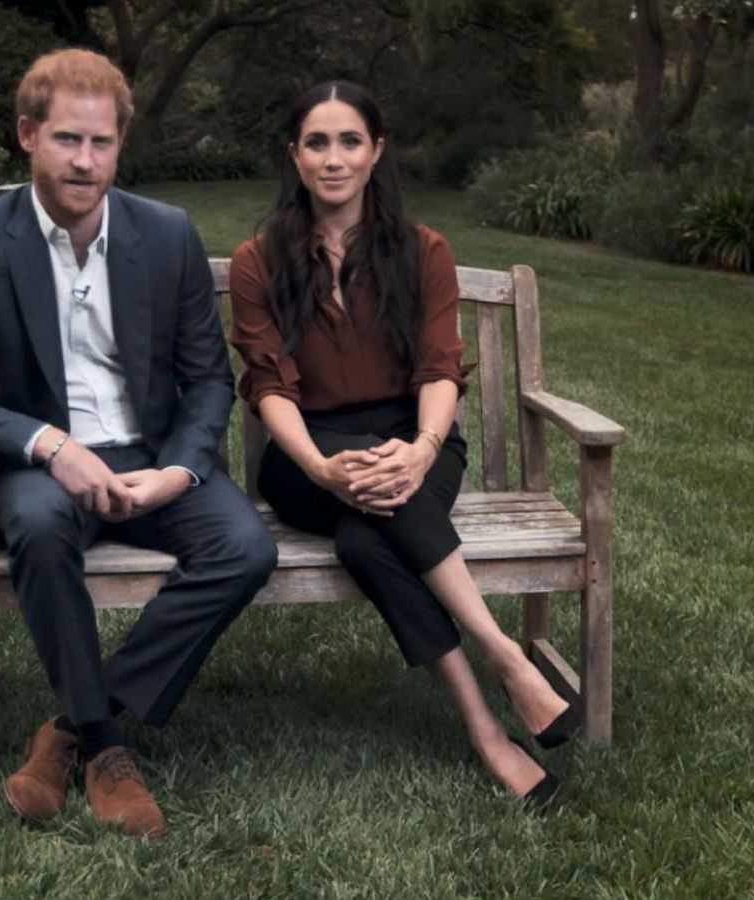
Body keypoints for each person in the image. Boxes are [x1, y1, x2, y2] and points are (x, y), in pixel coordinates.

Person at [0, 49, 276, 839]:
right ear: (28, 135)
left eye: (101, 144)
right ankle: (105, 747)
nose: (85, 161)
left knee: (245, 547)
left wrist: (178, 468)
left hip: (152, 457)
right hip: (44, 466)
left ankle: (70, 726)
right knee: (34, 523)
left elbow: (208, 380)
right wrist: (44, 444)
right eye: (67, 140)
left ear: (119, 147)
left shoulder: (165, 234)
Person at [228, 81, 576, 811]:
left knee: (368, 537)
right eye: (316, 142)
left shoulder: (422, 251)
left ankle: (487, 724)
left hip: (414, 433)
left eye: (349, 140)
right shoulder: (260, 260)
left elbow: (439, 367)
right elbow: (268, 387)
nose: (333, 158)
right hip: (306, 453)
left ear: (376, 151)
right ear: (293, 156)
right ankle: (503, 656)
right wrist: (323, 469)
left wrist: (421, 446)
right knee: (368, 509)